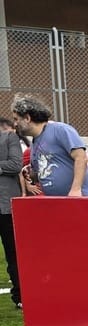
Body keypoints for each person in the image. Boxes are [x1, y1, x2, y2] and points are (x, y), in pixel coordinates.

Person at [11, 95, 88, 197]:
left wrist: (75, 190)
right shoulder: (34, 143)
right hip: (55, 202)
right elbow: (42, 174)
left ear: (27, 118)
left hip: (79, 199)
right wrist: (30, 174)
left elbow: (81, 158)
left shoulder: (60, 130)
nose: (14, 124)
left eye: (16, 119)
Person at [0, 121, 23, 309]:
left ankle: (20, 295)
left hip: (6, 206)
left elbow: (16, 164)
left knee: (13, 252)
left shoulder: (9, 137)